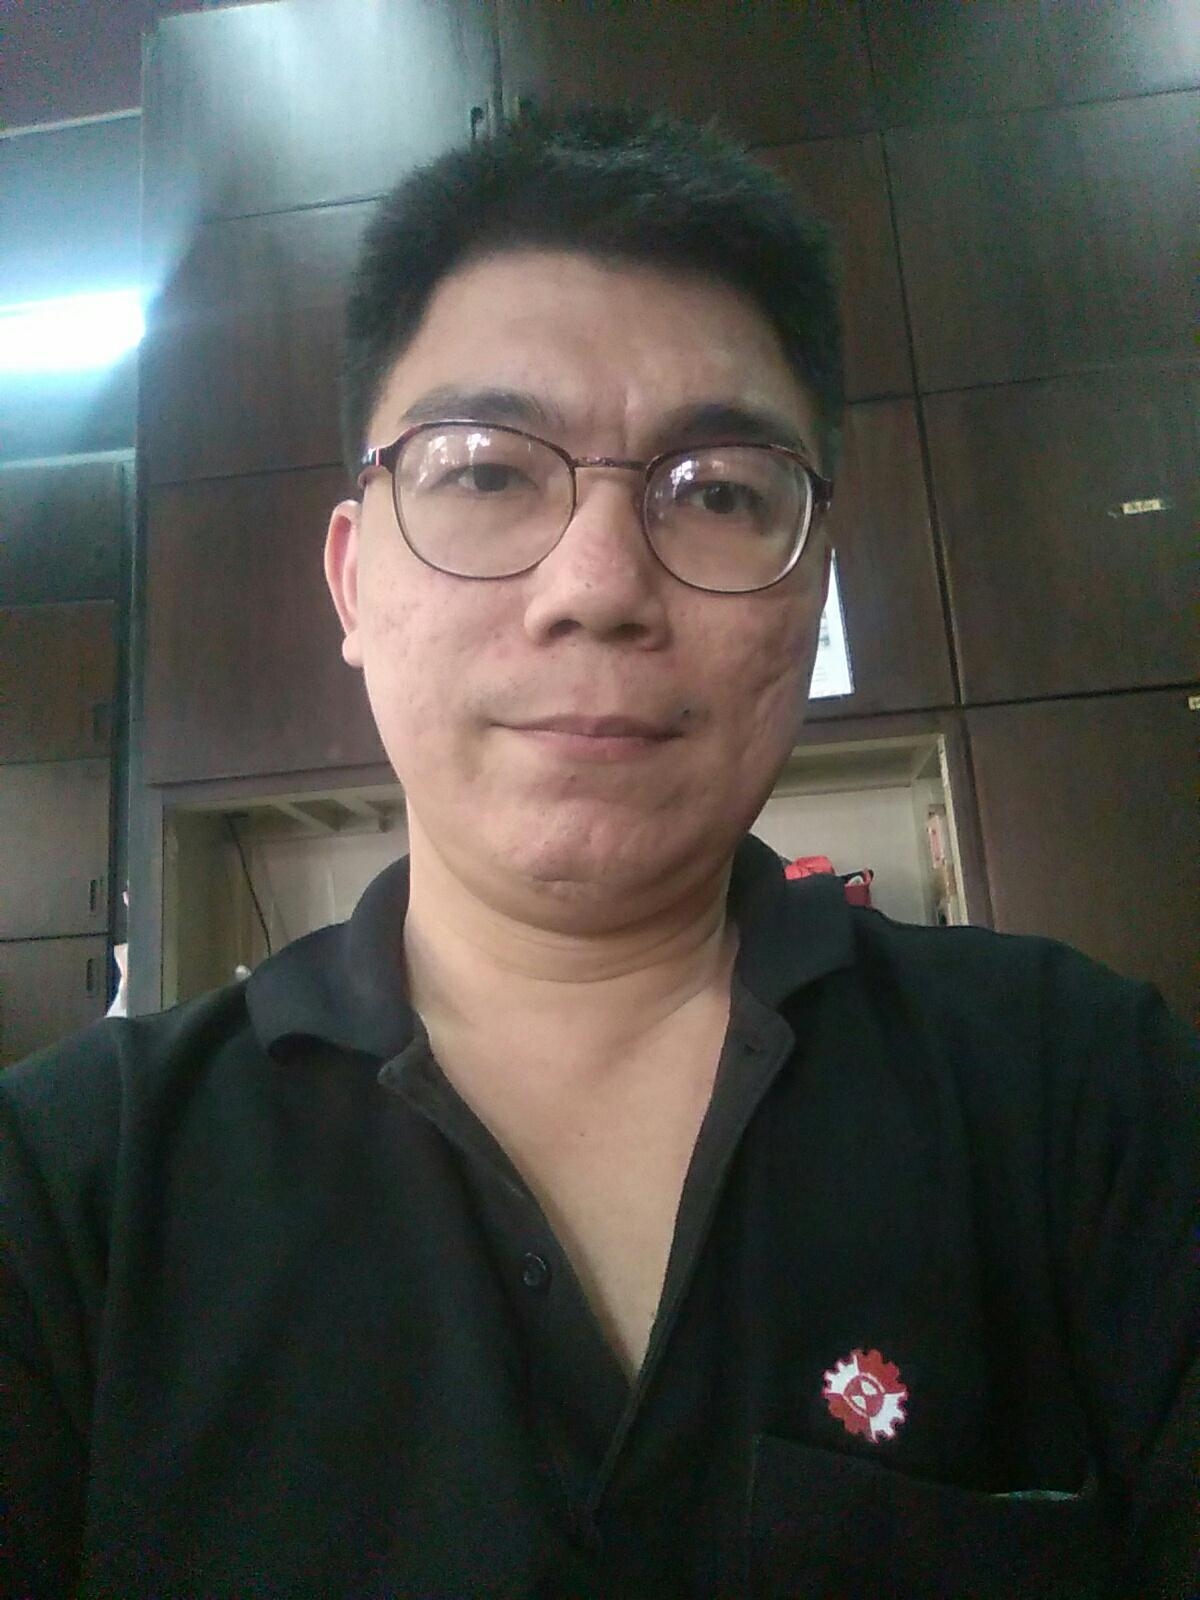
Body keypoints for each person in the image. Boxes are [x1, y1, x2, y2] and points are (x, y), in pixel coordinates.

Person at [1, 104, 1196, 1600]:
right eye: (486, 471)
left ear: (809, 587)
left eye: (718, 492)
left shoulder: (1088, 1096)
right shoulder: (69, 1197)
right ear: (353, 582)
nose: (600, 586)